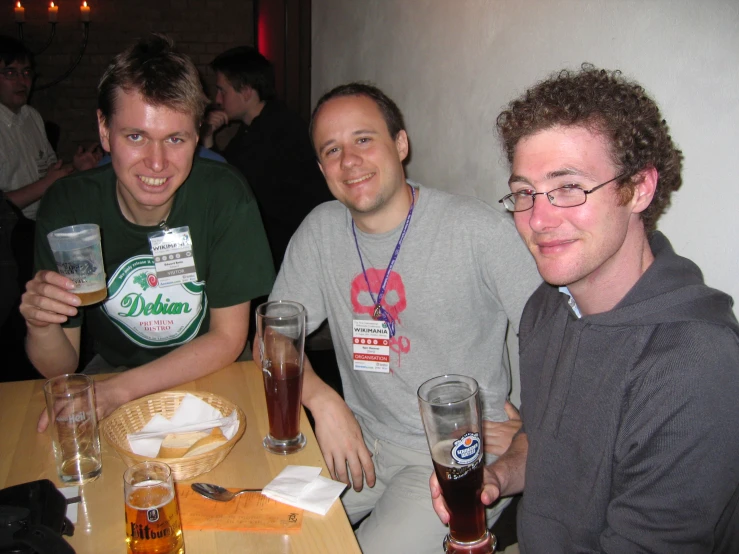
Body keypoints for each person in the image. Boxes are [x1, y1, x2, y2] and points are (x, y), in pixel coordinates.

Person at [431, 65, 739, 552]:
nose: (538, 218)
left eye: (569, 187)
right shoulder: (546, 308)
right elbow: (543, 442)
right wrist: (496, 477)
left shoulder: (694, 363)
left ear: (638, 188)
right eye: (524, 192)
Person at [259, 82, 541, 554]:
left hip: (455, 456)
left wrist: (534, 429)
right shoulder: (321, 231)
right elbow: (271, 338)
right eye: (332, 149)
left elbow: (566, 339)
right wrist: (324, 402)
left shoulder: (476, 231)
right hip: (362, 439)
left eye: (364, 139)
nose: (349, 160)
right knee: (267, 530)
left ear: (401, 144)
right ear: (321, 168)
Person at [20, 34, 275, 431]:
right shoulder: (70, 206)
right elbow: (62, 364)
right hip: (114, 371)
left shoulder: (224, 195)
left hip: (213, 369)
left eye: (175, 139)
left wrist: (119, 392)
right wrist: (41, 324)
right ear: (105, 131)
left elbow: (227, 339)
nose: (156, 163)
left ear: (197, 136)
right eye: (135, 136)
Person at [202, 46, 333, 270]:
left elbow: (228, 183)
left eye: (223, 91)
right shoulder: (256, 126)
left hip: (288, 253)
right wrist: (208, 139)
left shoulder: (276, 130)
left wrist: (206, 138)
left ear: (245, 91)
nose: (218, 99)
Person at [0, 35, 101, 221]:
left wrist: (76, 167)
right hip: (11, 231)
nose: (22, 81)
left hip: (45, 216)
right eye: (10, 73)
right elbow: (3, 208)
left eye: (26, 72)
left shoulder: (31, 115)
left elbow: (48, 175)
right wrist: (48, 182)